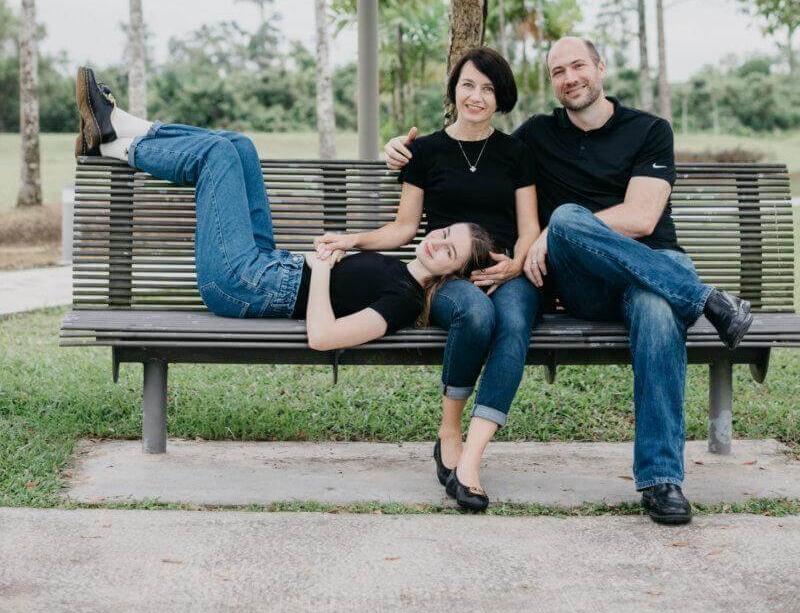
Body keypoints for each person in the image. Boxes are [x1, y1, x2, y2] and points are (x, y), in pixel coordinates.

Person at [385, 36, 754, 526]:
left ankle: (662, 480)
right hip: (585, 286)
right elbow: (472, 143)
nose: (570, 78)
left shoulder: (649, 130)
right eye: (558, 71)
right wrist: (399, 150)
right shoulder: (537, 136)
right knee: (565, 220)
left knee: (653, 307)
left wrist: (559, 231)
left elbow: (643, 219)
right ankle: (708, 299)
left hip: (654, 272)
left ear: (600, 68)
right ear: (552, 83)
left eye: (578, 66)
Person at [75, 66, 493, 353]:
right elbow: (394, 238)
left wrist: (326, 270)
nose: (437, 244)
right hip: (269, 265)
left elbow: (324, 337)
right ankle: (121, 126)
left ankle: (114, 141)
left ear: (451, 275)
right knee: (239, 145)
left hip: (242, 285)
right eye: (442, 234)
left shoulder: (404, 302)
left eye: (449, 252)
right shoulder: (401, 271)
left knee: (217, 154)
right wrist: (344, 246)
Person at [319, 46, 540, 512]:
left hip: (506, 270)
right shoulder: (424, 152)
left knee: (515, 323)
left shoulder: (516, 152)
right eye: (467, 85)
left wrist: (517, 265)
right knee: (476, 314)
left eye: (487, 88)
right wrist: (352, 238)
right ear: (453, 89)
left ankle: (471, 463)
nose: (476, 96)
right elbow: (403, 228)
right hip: (448, 276)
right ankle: (449, 430)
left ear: (501, 98)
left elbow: (529, 229)